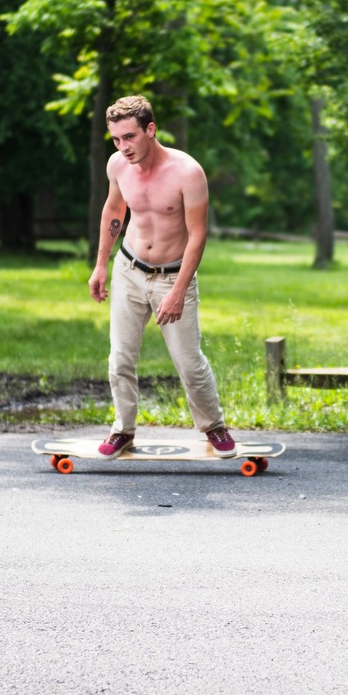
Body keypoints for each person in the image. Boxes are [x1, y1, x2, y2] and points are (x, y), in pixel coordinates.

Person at [87, 95, 235, 457]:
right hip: (129, 269)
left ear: (150, 130)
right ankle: (123, 429)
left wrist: (178, 291)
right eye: (116, 140)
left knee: (188, 361)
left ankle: (213, 426)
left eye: (129, 137)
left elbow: (198, 235)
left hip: (173, 275)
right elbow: (113, 210)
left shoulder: (187, 172)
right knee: (120, 357)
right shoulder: (118, 167)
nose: (123, 147)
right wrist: (101, 264)